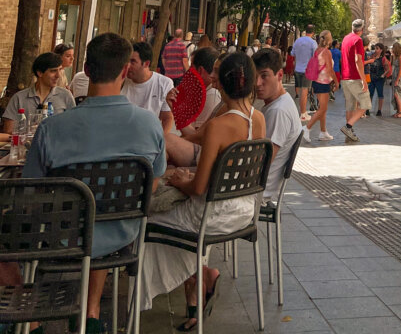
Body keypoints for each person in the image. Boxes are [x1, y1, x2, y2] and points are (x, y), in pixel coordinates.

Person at [24, 33, 166, 333]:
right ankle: (91, 312)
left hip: (61, 233)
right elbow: (154, 180)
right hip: (121, 233)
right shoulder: (149, 124)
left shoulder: (52, 129)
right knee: (101, 209)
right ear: (125, 71)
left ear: (86, 70)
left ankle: (32, 321)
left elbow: (30, 190)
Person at [139, 52, 267, 324]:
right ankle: (198, 280)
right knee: (174, 217)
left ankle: (154, 298)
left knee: (146, 218)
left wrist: (178, 180)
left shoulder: (220, 124)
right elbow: (197, 138)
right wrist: (177, 113)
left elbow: (197, 189)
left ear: (220, 82)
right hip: (244, 211)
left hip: (212, 214)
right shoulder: (258, 119)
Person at [252, 47, 302, 200]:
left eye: (264, 76)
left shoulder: (278, 111)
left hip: (255, 191)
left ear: (280, 75)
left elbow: (259, 163)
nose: (258, 83)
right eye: (255, 76)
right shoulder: (281, 103)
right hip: (256, 186)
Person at [166, 47, 223, 166]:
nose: (212, 75)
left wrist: (174, 141)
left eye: (217, 71)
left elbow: (196, 138)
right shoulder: (209, 94)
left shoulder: (213, 95)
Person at [2, 51, 75, 133]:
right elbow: (8, 131)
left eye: (60, 70)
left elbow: (74, 127)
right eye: (53, 71)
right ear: (39, 73)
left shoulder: (65, 96)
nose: (58, 75)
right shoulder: (19, 98)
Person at [123, 41, 175, 133]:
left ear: (146, 64)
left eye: (133, 61)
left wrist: (160, 141)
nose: (128, 66)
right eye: (127, 61)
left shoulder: (164, 83)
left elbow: (167, 118)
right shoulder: (121, 81)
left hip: (149, 137)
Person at [302, 30, 336, 142]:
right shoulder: (326, 52)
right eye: (330, 36)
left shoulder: (318, 50)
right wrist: (337, 81)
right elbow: (330, 69)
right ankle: (306, 128)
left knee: (323, 109)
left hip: (317, 81)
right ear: (328, 40)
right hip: (323, 82)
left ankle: (323, 132)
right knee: (322, 109)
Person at [340, 19, 370, 143]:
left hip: (345, 78)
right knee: (366, 104)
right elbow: (358, 61)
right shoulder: (358, 40)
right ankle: (348, 127)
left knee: (350, 106)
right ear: (361, 30)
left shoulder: (345, 39)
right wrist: (364, 80)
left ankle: (349, 135)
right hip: (354, 77)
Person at [292, 24, 318, 122]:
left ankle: (303, 112)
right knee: (304, 91)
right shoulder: (313, 42)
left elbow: (292, 53)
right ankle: (302, 114)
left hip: (297, 69)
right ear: (313, 32)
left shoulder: (298, 40)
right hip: (307, 70)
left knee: (300, 92)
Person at [366, 43, 388, 117]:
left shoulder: (383, 58)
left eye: (377, 48)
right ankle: (368, 109)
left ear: (381, 50)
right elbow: (369, 65)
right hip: (372, 78)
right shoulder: (372, 56)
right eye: (375, 48)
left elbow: (387, 69)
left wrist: (383, 75)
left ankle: (379, 110)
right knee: (370, 94)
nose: (375, 50)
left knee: (380, 95)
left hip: (379, 79)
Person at [391, 42, 401, 117]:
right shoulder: (397, 57)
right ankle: (398, 110)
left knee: (397, 94)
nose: (392, 49)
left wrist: (397, 80)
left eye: (393, 48)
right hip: (396, 77)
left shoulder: (400, 57)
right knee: (396, 94)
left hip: (399, 78)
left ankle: (400, 112)